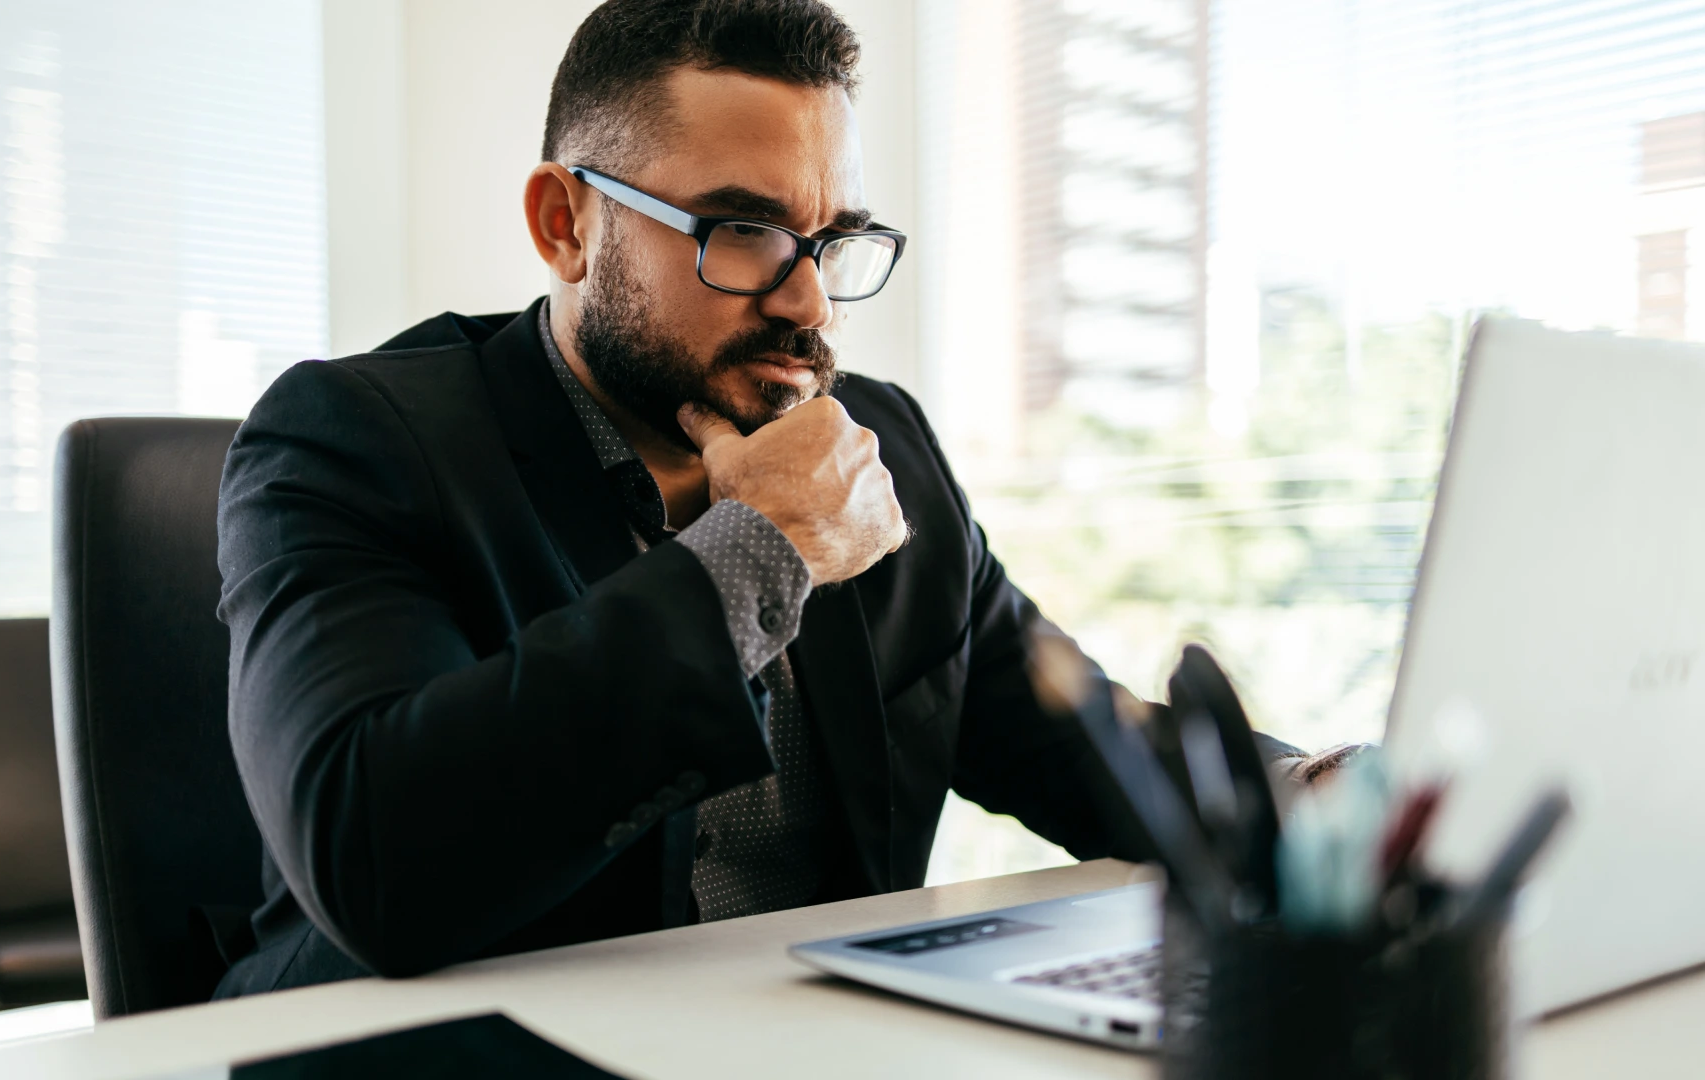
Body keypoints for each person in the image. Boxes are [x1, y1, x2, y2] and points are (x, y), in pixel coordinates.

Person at [211, 0, 1321, 998]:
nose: (808, 303)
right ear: (566, 225)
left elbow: (1085, 744)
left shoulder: (880, 449)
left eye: (831, 241)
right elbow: (375, 860)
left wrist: (1320, 797)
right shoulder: (352, 441)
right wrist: (762, 552)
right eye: (741, 232)